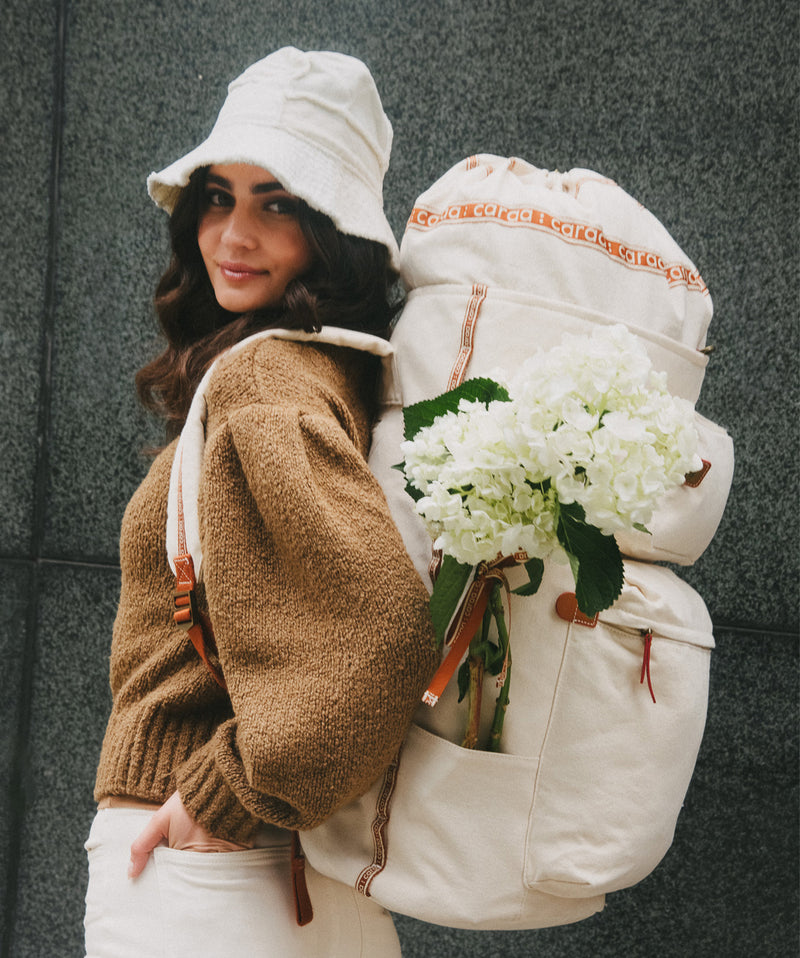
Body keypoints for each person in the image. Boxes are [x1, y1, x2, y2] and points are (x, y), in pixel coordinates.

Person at [83, 47, 437, 958]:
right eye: (217, 196)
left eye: (277, 203)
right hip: (275, 864)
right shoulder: (334, 369)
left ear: (335, 229)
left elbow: (384, 625)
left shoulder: (267, 381)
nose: (231, 235)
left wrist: (233, 792)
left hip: (206, 863)